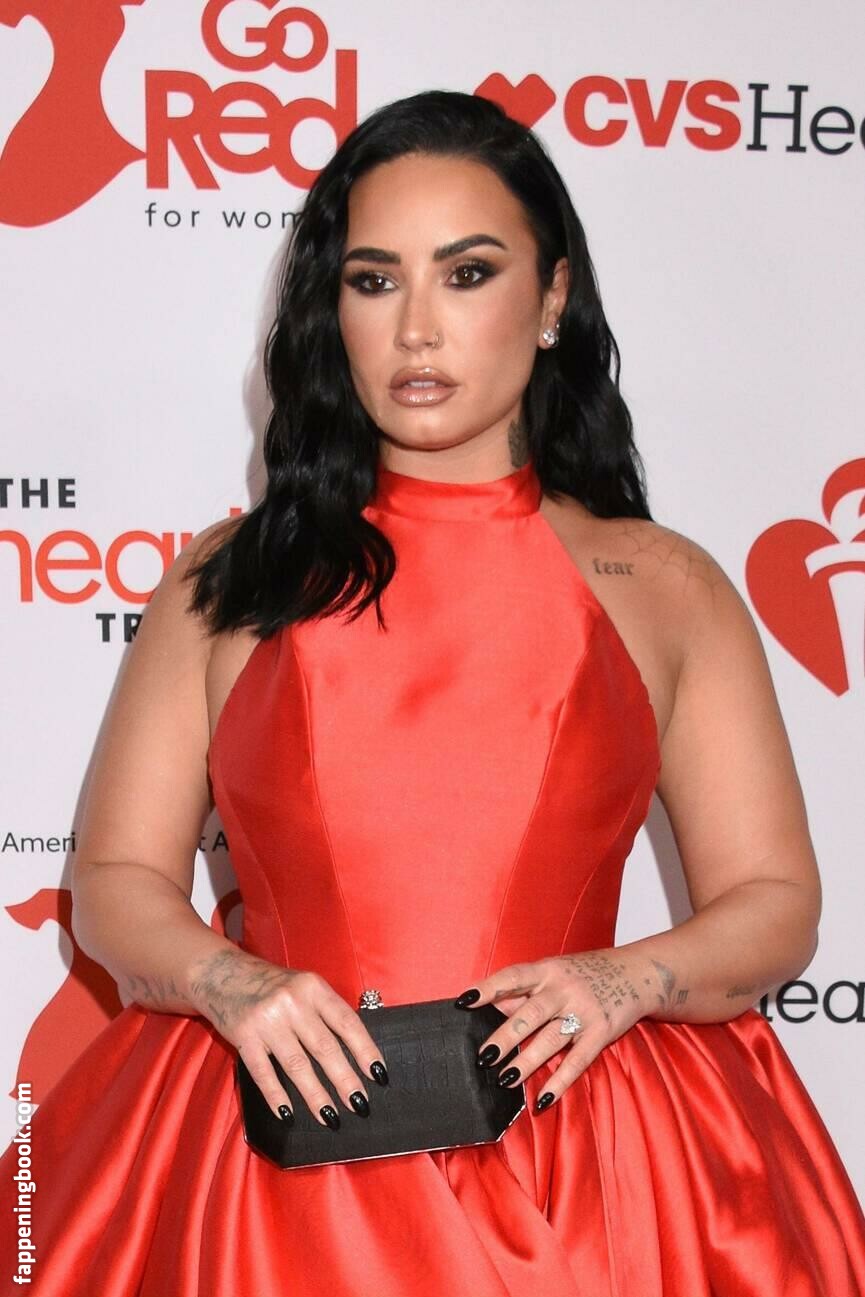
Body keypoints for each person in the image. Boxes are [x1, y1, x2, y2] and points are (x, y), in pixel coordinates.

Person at [1, 88, 864, 1297]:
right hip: (265, 1158)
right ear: (331, 309)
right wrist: (231, 982)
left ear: (552, 299)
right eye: (373, 280)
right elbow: (114, 880)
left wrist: (625, 979)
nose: (416, 329)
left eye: (466, 274)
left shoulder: (665, 587)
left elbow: (774, 900)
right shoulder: (228, 579)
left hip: (588, 1156)